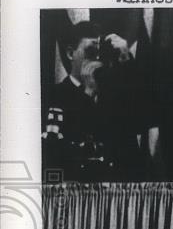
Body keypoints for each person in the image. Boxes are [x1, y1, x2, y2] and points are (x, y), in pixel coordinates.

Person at [44, 20, 159, 180]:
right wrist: (87, 94)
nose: (97, 59)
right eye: (90, 52)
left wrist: (126, 60)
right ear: (71, 54)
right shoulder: (56, 95)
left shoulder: (115, 95)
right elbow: (55, 153)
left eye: (101, 53)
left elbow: (147, 118)